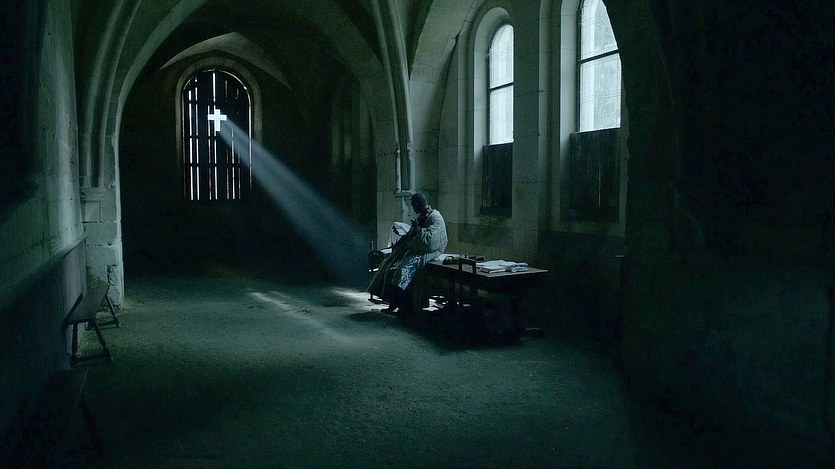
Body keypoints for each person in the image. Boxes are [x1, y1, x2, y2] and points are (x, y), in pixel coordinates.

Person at [368, 192, 448, 315]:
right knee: (388, 265)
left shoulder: (436, 217)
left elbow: (431, 241)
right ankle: (393, 303)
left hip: (430, 252)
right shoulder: (421, 216)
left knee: (402, 270)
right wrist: (401, 240)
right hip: (417, 249)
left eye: (413, 206)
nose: (413, 209)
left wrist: (418, 230)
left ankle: (405, 307)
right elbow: (411, 234)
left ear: (417, 205)